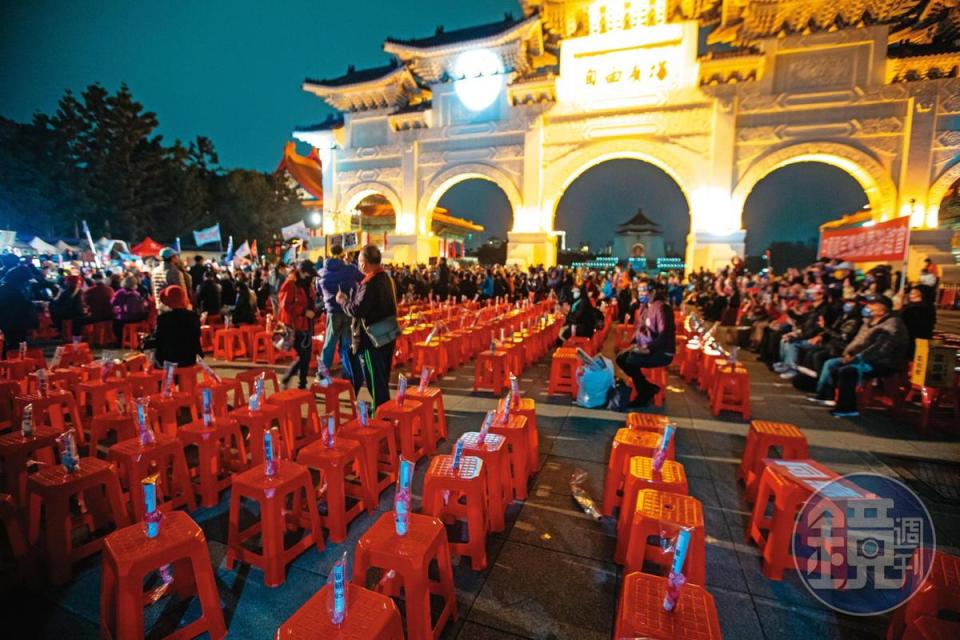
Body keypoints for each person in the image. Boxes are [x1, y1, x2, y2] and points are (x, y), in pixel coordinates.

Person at [810, 295, 910, 418]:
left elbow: (881, 350)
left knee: (848, 371)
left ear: (883, 308)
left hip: (883, 362)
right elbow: (859, 341)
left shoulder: (893, 325)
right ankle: (825, 394)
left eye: (872, 304)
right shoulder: (869, 321)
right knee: (831, 363)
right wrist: (849, 353)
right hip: (862, 357)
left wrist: (857, 358)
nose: (868, 307)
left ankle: (847, 408)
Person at [336, 245, 398, 409]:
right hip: (387, 335)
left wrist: (343, 300)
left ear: (364, 263)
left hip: (372, 339)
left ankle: (381, 416)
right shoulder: (386, 278)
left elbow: (357, 310)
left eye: (359, 262)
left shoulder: (370, 282)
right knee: (381, 378)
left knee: (375, 381)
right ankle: (385, 413)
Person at [615, 280, 675, 406]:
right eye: (639, 291)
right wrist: (633, 344)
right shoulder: (645, 306)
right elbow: (640, 328)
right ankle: (647, 388)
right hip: (645, 347)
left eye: (644, 290)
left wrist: (648, 348)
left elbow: (664, 334)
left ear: (653, 292)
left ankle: (643, 394)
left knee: (631, 360)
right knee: (621, 358)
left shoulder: (661, 308)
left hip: (662, 352)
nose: (641, 294)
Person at [317, 243, 363, 378]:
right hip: (348, 309)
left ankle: (322, 376)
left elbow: (319, 290)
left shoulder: (322, 272)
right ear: (343, 254)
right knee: (347, 344)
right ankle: (349, 375)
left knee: (329, 344)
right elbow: (362, 280)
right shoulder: (350, 269)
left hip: (332, 311)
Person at [278, 260, 317, 389]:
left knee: (306, 356)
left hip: (307, 325)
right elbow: (285, 305)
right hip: (295, 325)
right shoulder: (290, 284)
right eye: (307, 273)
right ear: (300, 271)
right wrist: (304, 312)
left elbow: (310, 301)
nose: (309, 276)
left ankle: (302, 384)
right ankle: (287, 378)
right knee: (304, 356)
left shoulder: (307, 285)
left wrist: (315, 311)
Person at [151, 285, 203, 367]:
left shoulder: (163, 318)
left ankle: (165, 379)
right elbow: (197, 335)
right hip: (191, 357)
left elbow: (158, 338)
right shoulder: (193, 316)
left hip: (169, 359)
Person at [0, 266, 38, 358]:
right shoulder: (12, 290)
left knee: (13, 346)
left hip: (10, 323)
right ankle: (15, 367)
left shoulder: (6, 287)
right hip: (14, 324)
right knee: (16, 347)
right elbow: (22, 306)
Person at [111, 275, 149, 343]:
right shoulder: (136, 293)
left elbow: (112, 303)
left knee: (116, 321)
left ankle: (121, 340)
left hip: (124, 318)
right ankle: (137, 339)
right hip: (138, 317)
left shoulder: (119, 293)